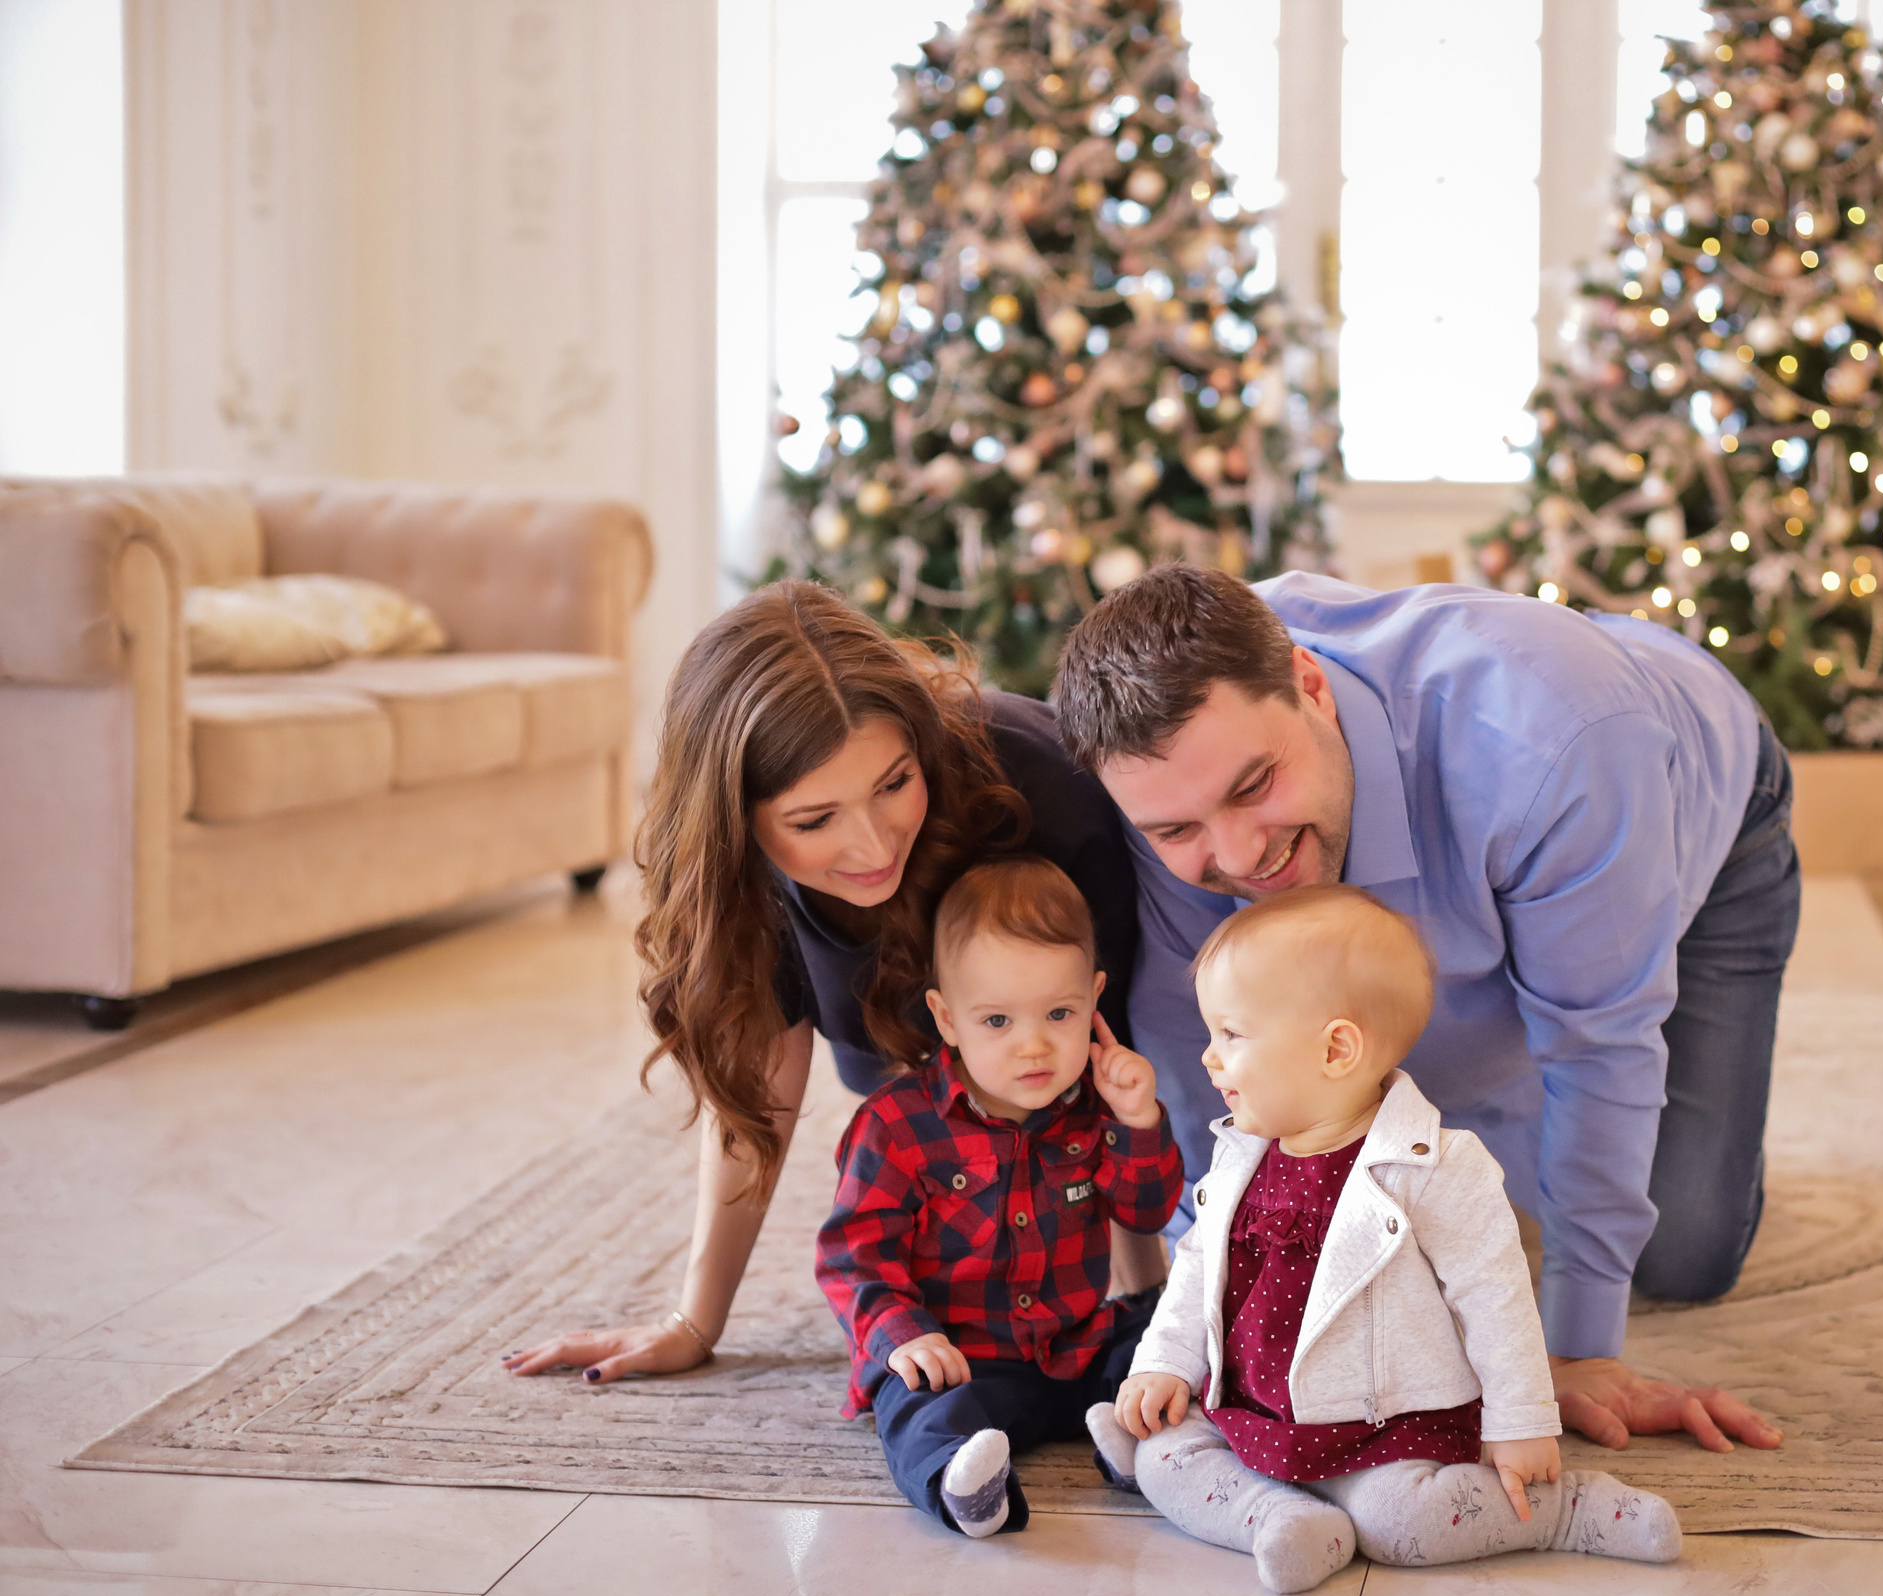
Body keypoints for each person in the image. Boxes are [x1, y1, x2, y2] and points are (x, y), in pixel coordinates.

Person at [1051, 565, 1795, 1455]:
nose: (1239, 854)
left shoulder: (1554, 750)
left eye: (1255, 786)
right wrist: (1217, 1283)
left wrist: (1574, 1353)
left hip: (1693, 799)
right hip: (1511, 792)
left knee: (1684, 1248)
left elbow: (1599, 1051)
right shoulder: (1166, 776)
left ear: (1311, 688)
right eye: (1177, 831)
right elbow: (1192, 1045)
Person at [503, 582, 1139, 1386]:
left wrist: (1146, 1296)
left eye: (894, 783)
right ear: (737, 819)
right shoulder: (740, 882)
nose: (873, 843)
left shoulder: (1043, 788)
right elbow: (754, 1100)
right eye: (813, 821)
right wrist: (695, 1319)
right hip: (895, 1047)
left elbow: (1129, 1047)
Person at [1088, 886, 1680, 1594]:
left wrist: (1520, 1419)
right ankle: (1279, 1518)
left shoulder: (1435, 1166)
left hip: (1386, 1429)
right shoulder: (1240, 1156)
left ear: (1336, 1048)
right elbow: (1195, 1273)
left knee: (1407, 1527)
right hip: (1252, 1415)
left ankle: (1564, 1511)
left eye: (1232, 1034)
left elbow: (1496, 1297)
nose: (1210, 1059)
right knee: (1164, 1452)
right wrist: (1165, 1365)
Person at [817, 857, 1179, 1537]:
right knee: (916, 1402)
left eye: (1060, 1012)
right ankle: (965, 1482)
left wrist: (1140, 1123)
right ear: (946, 1018)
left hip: (1075, 1343)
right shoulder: (895, 1125)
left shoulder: (1100, 1108)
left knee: (1166, 1342)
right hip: (960, 1354)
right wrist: (905, 1335)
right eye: (996, 1021)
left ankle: (1139, 1443)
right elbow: (852, 1258)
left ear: (1093, 1001)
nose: (1034, 1044)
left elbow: (1148, 1210)